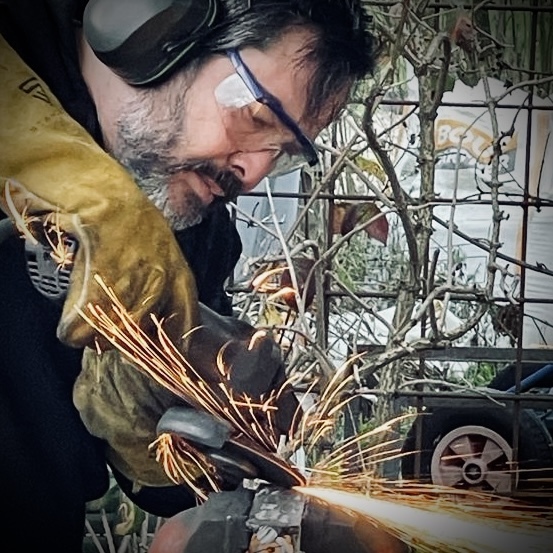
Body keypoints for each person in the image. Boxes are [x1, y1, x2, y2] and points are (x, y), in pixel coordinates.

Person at [0, 1, 399, 551]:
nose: (253, 173)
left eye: (280, 153)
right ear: (154, 30)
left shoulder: (197, 235)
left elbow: (166, 493)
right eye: (256, 117)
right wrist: (77, 183)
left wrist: (191, 421)